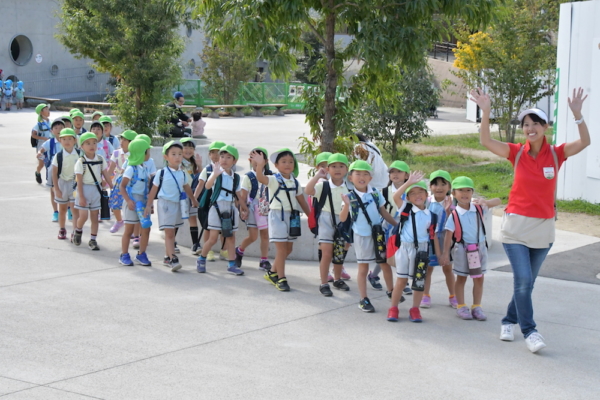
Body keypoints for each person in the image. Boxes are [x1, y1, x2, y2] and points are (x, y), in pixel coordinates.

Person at [470, 87, 590, 353]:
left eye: (536, 123)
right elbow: (486, 141)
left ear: (545, 126)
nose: (530, 127)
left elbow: (585, 142)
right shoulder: (517, 152)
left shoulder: (557, 154)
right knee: (523, 280)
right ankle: (530, 331)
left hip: (543, 230)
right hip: (515, 228)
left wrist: (578, 115)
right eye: (526, 124)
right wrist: (486, 112)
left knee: (528, 283)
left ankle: (509, 319)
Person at [339, 160, 397, 312]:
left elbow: (383, 212)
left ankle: (392, 292)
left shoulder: (376, 193)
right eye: (357, 173)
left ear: (371, 178)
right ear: (350, 177)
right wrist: (346, 205)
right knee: (363, 268)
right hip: (362, 236)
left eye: (366, 174)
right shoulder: (349, 197)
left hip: (377, 235)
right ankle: (363, 299)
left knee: (384, 264)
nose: (362, 177)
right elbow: (343, 219)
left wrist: (398, 225)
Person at [440, 176, 500, 321]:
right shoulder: (454, 215)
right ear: (453, 193)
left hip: (479, 249)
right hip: (462, 249)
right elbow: (448, 236)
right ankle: (461, 306)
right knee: (461, 278)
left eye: (468, 190)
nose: (465, 193)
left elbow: (498, 200)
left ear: (473, 192)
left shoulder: (479, 208)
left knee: (479, 278)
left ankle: (477, 306)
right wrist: (445, 254)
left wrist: (485, 201)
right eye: (461, 190)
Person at [250, 148, 311, 291]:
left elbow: (302, 201)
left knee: (288, 249)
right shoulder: (273, 179)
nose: (288, 164)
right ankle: (281, 278)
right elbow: (261, 178)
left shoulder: (295, 183)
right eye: (283, 161)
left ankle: (271, 272)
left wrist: (312, 218)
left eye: (291, 162)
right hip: (277, 216)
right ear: (276, 165)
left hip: (292, 217)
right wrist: (260, 165)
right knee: (282, 249)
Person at [387, 172, 440, 322]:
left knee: (418, 282)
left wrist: (439, 254)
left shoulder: (432, 215)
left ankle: (415, 309)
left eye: (421, 192)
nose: (417, 195)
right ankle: (393, 308)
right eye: (413, 193)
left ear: (426, 195)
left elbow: (432, 235)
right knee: (401, 281)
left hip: (422, 251)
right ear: (408, 198)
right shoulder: (406, 208)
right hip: (405, 249)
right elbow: (396, 196)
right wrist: (409, 182)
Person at [145, 141, 198, 272]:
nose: (177, 157)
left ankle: (166, 257)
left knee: (172, 232)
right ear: (165, 157)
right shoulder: (161, 173)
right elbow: (153, 190)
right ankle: (173, 258)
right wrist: (149, 205)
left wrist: (193, 199)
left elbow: (187, 187)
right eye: (173, 154)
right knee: (169, 233)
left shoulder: (182, 173)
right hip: (165, 205)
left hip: (178, 205)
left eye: (180, 154)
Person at [305, 153, 351, 296]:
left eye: (341, 166)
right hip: (325, 221)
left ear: (347, 169)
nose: (337, 169)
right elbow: (308, 190)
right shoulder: (322, 185)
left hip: (344, 220)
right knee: (326, 253)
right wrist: (317, 176)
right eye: (333, 166)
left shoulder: (350, 187)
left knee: (339, 253)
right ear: (328, 169)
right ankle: (324, 283)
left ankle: (337, 279)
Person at [196, 145, 246, 275]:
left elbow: (238, 195)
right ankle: (201, 259)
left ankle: (231, 264)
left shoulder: (236, 177)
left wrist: (243, 208)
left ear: (234, 161)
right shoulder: (216, 172)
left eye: (228, 157)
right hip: (217, 207)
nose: (224, 159)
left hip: (230, 209)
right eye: (222, 156)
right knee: (212, 238)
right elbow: (207, 186)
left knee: (231, 238)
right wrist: (214, 175)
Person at [369, 160, 412, 294]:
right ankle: (374, 275)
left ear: (407, 175)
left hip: (406, 226)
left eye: (399, 171)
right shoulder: (384, 191)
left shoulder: (412, 190)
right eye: (392, 172)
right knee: (387, 253)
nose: (395, 174)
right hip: (388, 225)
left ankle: (402, 281)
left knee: (402, 253)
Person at [420, 170, 457, 309]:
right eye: (435, 184)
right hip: (429, 239)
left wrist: (448, 211)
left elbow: (454, 223)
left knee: (447, 269)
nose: (439, 187)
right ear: (430, 186)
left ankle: (453, 296)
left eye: (443, 184)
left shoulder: (453, 204)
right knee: (428, 268)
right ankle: (425, 295)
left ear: (449, 187)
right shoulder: (427, 202)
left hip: (446, 239)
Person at [73, 133, 113, 250]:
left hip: (96, 191)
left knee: (95, 217)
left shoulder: (100, 159)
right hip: (83, 190)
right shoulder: (80, 162)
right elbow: (79, 181)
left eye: (94, 143)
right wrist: (81, 197)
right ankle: (78, 230)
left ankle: (93, 240)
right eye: (88, 143)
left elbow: (106, 174)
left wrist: (112, 187)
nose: (92, 145)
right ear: (82, 146)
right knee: (84, 216)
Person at [235, 147, 273, 271]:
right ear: (249, 160)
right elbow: (243, 196)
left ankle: (264, 260)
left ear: (266, 161)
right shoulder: (248, 177)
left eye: (260, 158)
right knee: (253, 236)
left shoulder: (270, 177)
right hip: (252, 208)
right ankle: (239, 250)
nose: (256, 161)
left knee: (265, 235)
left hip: (267, 208)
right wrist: (243, 209)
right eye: (253, 158)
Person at [118, 139, 152, 267]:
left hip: (143, 202)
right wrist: (128, 200)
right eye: (147, 151)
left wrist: (149, 204)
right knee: (129, 229)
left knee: (146, 228)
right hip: (132, 202)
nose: (149, 154)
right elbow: (122, 186)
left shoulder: (144, 167)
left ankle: (141, 254)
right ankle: (124, 254)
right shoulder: (131, 169)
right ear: (140, 153)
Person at [193, 141, 227, 260]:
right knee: (207, 227)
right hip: (208, 203)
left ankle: (224, 250)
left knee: (225, 228)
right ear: (209, 155)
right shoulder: (207, 169)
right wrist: (194, 198)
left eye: (219, 153)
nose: (216, 155)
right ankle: (209, 251)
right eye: (213, 152)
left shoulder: (227, 170)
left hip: (223, 203)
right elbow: (200, 185)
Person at [52, 128, 80, 240]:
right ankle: (62, 229)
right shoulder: (58, 156)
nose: (67, 141)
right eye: (64, 139)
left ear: (75, 140)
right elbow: (54, 174)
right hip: (62, 183)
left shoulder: (79, 154)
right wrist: (56, 189)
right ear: (60, 140)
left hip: (75, 184)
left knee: (74, 209)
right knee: (62, 209)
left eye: (70, 138)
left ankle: (75, 230)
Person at [108, 130, 138, 233]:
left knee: (130, 205)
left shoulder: (135, 155)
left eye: (125, 140)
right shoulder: (116, 152)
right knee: (115, 204)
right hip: (118, 182)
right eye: (122, 139)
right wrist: (106, 180)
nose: (122, 141)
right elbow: (111, 167)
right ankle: (119, 221)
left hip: (131, 184)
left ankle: (133, 229)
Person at [37, 119, 65, 221]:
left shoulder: (68, 140)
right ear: (51, 131)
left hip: (67, 169)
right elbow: (42, 149)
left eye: (61, 128)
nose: (58, 130)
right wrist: (39, 152)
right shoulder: (50, 142)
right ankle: (55, 212)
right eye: (56, 128)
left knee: (69, 190)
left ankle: (70, 209)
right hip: (53, 170)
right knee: (53, 190)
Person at [180, 137, 202, 254]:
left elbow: (198, 177)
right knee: (177, 219)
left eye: (191, 148)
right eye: (185, 147)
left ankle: (195, 243)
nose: (188, 150)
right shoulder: (177, 161)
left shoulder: (192, 163)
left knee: (193, 218)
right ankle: (172, 243)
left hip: (192, 194)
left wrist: (199, 165)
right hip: (181, 194)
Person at [32, 103, 52, 184]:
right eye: (46, 109)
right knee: (41, 164)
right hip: (41, 146)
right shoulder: (38, 124)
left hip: (51, 145)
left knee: (51, 163)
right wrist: (43, 138)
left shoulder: (51, 122)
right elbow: (33, 135)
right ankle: (38, 172)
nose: (48, 111)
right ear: (41, 112)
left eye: (48, 109)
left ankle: (50, 179)